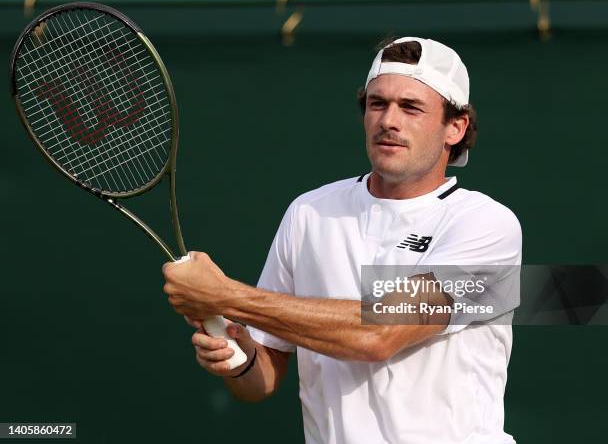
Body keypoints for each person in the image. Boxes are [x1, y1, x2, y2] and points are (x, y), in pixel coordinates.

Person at [162, 36, 522, 444]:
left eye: (411, 107)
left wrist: (224, 295)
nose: (389, 120)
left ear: (454, 128)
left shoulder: (487, 225)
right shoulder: (308, 212)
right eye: (377, 103)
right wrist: (239, 359)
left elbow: (378, 335)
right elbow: (261, 381)